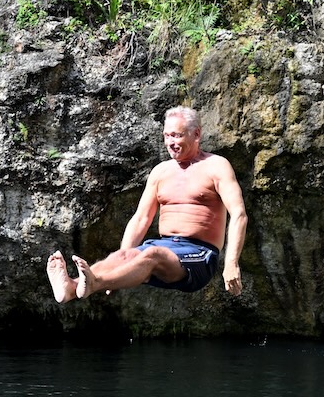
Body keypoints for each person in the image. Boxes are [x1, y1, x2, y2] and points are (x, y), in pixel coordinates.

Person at [46, 106, 248, 302]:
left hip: (199, 255)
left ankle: (95, 283)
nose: (170, 142)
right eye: (167, 136)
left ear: (196, 134)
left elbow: (239, 214)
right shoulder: (160, 172)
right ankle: (70, 288)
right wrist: (122, 261)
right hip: (166, 246)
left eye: (177, 135)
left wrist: (231, 263)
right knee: (127, 254)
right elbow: (142, 218)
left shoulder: (216, 166)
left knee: (153, 253)